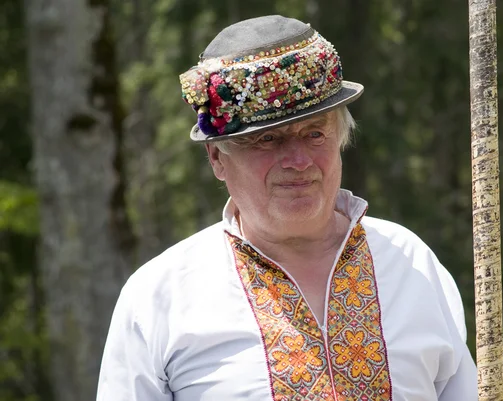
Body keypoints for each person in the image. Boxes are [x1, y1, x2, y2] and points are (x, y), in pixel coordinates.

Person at [96, 15, 477, 401]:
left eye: (315, 133)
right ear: (216, 158)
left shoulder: (409, 262)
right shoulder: (161, 295)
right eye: (267, 139)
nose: (298, 160)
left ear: (340, 139)